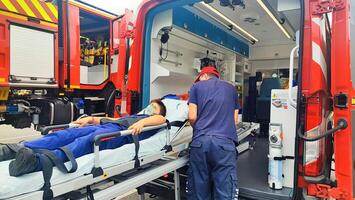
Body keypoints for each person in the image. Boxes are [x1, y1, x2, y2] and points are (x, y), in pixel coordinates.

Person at [0, 99, 167, 177]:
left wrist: (143, 122)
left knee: (85, 142)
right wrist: (90, 119)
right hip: (107, 127)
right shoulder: (135, 116)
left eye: (153, 107)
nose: (149, 109)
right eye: (149, 106)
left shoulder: (154, 121)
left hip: (118, 135)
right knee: (67, 134)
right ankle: (13, 150)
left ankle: (35, 163)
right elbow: (112, 120)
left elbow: (162, 120)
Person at [187, 66, 240, 200]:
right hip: (225, 144)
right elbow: (235, 120)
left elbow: (192, 117)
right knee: (225, 191)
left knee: (198, 190)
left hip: (200, 143)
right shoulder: (231, 89)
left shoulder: (196, 87)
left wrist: (199, 129)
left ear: (204, 76)